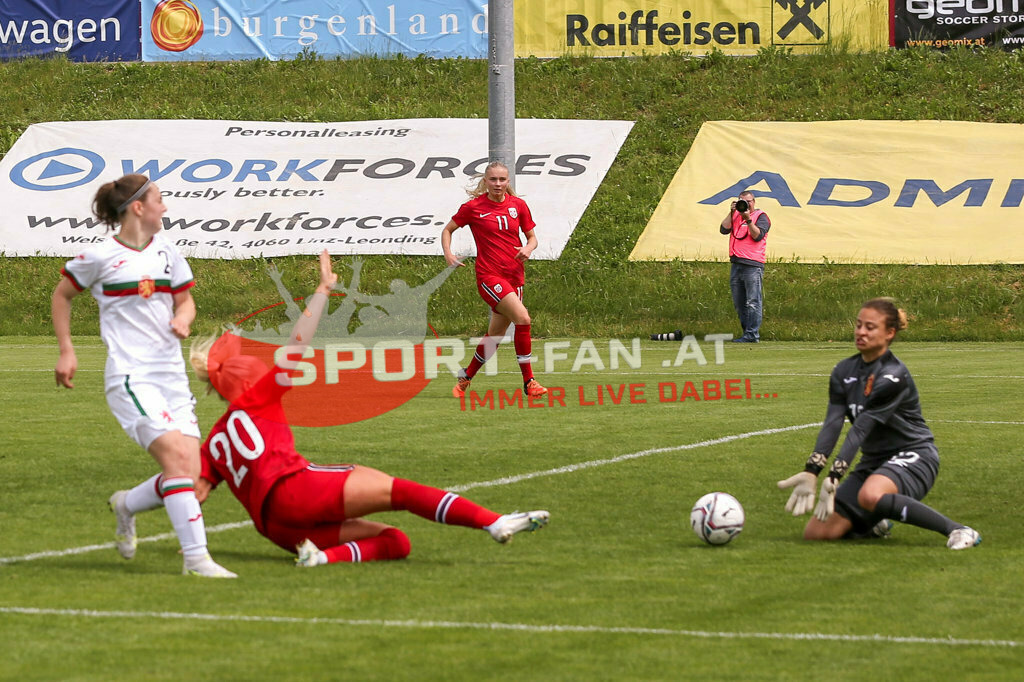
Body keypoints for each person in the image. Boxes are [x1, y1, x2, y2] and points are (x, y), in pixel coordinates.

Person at [190, 251, 550, 567]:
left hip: (276, 530)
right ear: (251, 380)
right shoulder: (259, 396)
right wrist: (322, 290)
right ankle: (493, 521)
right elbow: (297, 343)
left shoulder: (217, 437)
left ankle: (321, 558)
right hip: (296, 492)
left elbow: (194, 492)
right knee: (403, 492)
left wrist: (191, 545)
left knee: (396, 541)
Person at [52, 173, 235, 578]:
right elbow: (62, 295)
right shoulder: (99, 256)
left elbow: (186, 302)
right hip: (131, 377)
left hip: (172, 377)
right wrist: (67, 350)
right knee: (175, 457)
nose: (165, 207)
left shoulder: (168, 252)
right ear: (138, 207)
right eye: (159, 200)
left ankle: (125, 505)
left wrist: (182, 321)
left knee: (188, 471)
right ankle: (196, 559)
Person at [777, 298, 981, 550]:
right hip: (874, 462)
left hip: (915, 455)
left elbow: (861, 428)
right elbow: (832, 423)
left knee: (870, 495)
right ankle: (875, 521)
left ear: (890, 333)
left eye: (870, 327)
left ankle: (958, 529)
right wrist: (812, 471)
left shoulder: (893, 376)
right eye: (859, 325)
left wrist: (834, 475)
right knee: (817, 533)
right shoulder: (843, 371)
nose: (861, 332)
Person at [441, 161, 548, 398]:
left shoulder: (518, 206)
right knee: (523, 318)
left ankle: (465, 377)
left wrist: (528, 249)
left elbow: (532, 238)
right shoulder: (473, 207)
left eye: (502, 180)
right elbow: (447, 229)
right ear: (485, 181)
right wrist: (448, 253)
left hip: (514, 276)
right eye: (493, 180)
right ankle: (530, 382)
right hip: (489, 276)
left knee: (495, 337)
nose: (497, 184)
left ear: (508, 181)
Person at [719, 190, 771, 343]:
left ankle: (752, 334)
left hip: (753, 264)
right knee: (739, 302)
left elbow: (757, 236)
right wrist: (732, 211)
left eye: (749, 201)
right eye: (742, 201)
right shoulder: (735, 214)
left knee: (753, 301)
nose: (746, 204)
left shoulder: (761, 217)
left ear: (754, 202)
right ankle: (746, 333)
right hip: (736, 263)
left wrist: (748, 219)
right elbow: (723, 229)